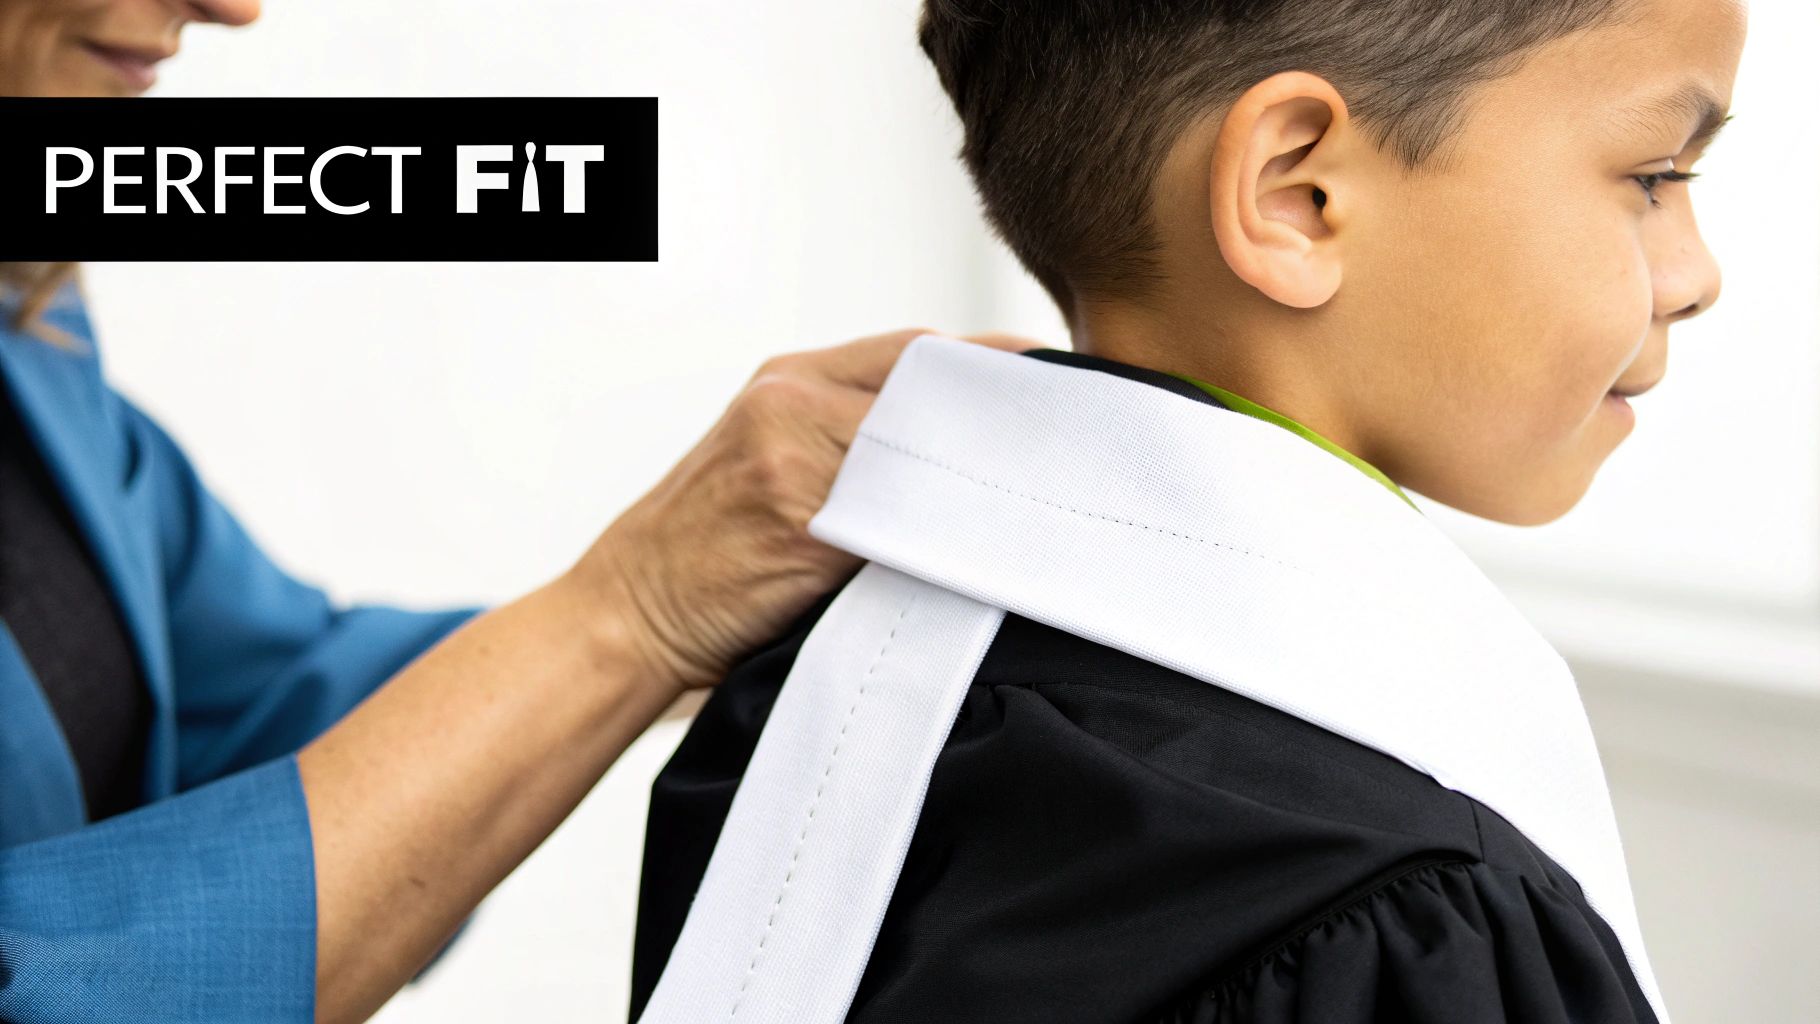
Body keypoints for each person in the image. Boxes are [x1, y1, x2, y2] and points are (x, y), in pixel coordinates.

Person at [630, 0, 1741, 1021]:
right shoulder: (1396, 902)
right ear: (1294, 196)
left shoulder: (805, 701)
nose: (1696, 275)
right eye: (1651, 175)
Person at [0, 2, 1037, 1021]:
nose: (234, 8)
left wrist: (742, 596)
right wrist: (632, 610)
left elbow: (270, 707)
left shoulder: (40, 350)